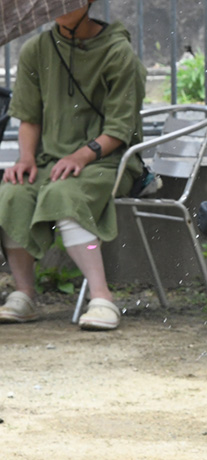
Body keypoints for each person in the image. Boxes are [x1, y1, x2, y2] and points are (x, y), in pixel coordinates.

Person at [0, 0, 146, 330]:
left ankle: (101, 297)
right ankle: (24, 293)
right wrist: (25, 158)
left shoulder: (118, 53)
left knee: (64, 195)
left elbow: (121, 129)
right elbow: (28, 116)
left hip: (108, 163)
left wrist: (81, 154)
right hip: (50, 161)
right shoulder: (35, 49)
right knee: (12, 193)